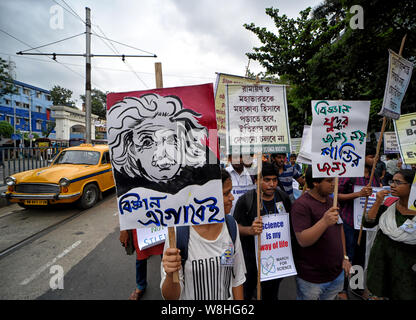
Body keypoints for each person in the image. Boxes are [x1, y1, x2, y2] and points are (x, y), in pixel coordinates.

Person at [160, 168, 246, 300]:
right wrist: (171, 275)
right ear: (207, 198)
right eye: (226, 193)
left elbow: (236, 278)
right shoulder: (178, 235)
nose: (232, 198)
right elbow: (171, 297)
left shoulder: (230, 226)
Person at [291, 166, 351, 300]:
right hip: (312, 279)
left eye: (334, 180)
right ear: (315, 182)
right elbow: (303, 240)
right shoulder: (301, 205)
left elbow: (339, 229)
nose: (334, 184)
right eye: (329, 181)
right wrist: (324, 221)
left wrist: (344, 257)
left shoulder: (332, 202)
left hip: (336, 274)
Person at [233, 162, 292, 300]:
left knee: (271, 294)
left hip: (275, 260)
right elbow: (235, 228)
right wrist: (250, 230)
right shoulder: (246, 201)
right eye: (267, 180)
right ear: (256, 180)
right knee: (248, 292)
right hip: (251, 261)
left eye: (274, 180)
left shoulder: (283, 198)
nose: (272, 184)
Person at [336, 145, 381, 299]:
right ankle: (342, 289)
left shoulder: (374, 176)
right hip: (349, 222)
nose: (375, 159)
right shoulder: (350, 173)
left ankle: (356, 287)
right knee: (347, 255)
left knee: (361, 257)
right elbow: (337, 195)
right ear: (363, 157)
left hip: (365, 224)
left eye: (376, 156)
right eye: (372, 156)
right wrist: (358, 194)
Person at [363, 169, 416, 300]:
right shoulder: (388, 204)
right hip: (381, 266)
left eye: (398, 182)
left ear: (412, 187)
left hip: (406, 272)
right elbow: (368, 223)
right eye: (392, 181)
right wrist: (377, 202)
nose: (392, 185)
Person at [119, 229, 164, 300]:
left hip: (161, 226)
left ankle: (169, 281)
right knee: (141, 256)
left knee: (165, 254)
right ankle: (141, 284)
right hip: (139, 227)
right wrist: (123, 229)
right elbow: (123, 217)